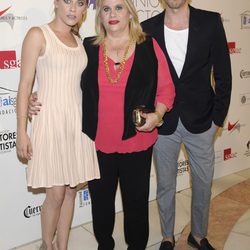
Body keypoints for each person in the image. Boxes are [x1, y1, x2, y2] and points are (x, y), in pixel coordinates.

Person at [80, 0, 175, 248]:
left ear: (130, 13)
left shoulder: (148, 45)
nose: (112, 14)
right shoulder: (88, 48)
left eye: (119, 7)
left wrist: (157, 116)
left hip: (137, 141)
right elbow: (67, 85)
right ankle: (105, 245)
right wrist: (38, 95)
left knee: (135, 203)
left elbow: (166, 90)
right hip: (97, 142)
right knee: (101, 205)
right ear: (99, 15)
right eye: (106, 9)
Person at [141, 0, 232, 249]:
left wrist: (217, 120)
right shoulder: (147, 28)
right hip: (163, 122)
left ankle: (199, 235)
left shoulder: (211, 22)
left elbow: (224, 74)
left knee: (203, 184)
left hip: (203, 121)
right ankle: (168, 237)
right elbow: (144, 78)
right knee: (165, 185)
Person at [16, 1, 100, 250]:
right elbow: (25, 86)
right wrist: (21, 131)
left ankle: (62, 246)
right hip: (50, 121)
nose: (73, 8)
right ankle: (46, 244)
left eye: (80, 3)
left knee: (72, 190)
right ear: (55, 2)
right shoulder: (38, 34)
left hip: (76, 122)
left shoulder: (80, 41)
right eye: (67, 1)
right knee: (55, 194)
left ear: (86, 8)